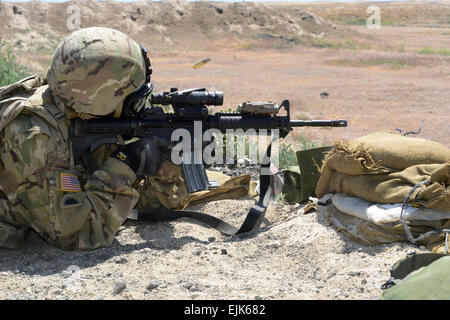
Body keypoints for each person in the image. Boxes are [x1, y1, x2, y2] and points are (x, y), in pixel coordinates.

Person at [0, 27, 190, 250]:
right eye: (133, 101)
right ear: (102, 100)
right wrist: (125, 162)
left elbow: (124, 205)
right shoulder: (33, 135)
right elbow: (75, 234)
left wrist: (166, 168)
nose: (138, 109)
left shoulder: (79, 112)